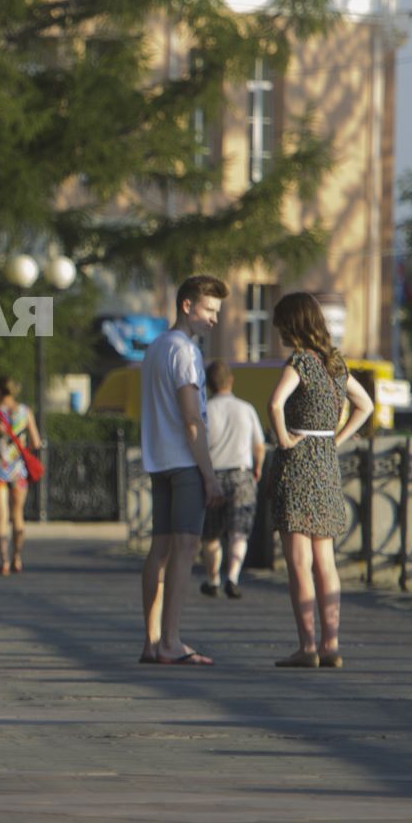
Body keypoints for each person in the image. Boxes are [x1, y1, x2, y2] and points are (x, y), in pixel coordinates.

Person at [267, 292, 373, 669]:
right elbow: (367, 406)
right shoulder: (336, 365)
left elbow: (276, 403)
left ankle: (307, 646)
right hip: (326, 464)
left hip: (297, 464)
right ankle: (332, 644)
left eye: (280, 322)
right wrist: (336, 439)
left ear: (292, 323)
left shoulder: (300, 362)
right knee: (325, 561)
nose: (277, 329)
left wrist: (283, 438)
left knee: (299, 562)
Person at [139, 274, 226, 666]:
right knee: (186, 548)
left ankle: (153, 639)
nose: (214, 319)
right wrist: (209, 474)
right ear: (187, 306)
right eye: (209, 309)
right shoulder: (185, 351)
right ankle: (172, 641)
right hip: (185, 462)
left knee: (160, 548)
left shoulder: (156, 347)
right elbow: (192, 418)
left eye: (218, 312)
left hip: (158, 460)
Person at [199, 361, 264, 599]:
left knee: (211, 534)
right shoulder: (246, 409)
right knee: (239, 532)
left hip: (212, 475)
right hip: (241, 474)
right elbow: (259, 445)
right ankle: (233, 577)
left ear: (209, 384)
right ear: (231, 381)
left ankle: (212, 579)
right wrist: (257, 468)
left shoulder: (204, 410)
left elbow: (197, 446)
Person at [0, 376, 39, 575]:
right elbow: (36, 443)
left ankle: (4, 560)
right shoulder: (25, 412)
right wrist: (20, 448)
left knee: (1, 517)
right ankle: (17, 557)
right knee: (18, 515)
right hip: (18, 470)